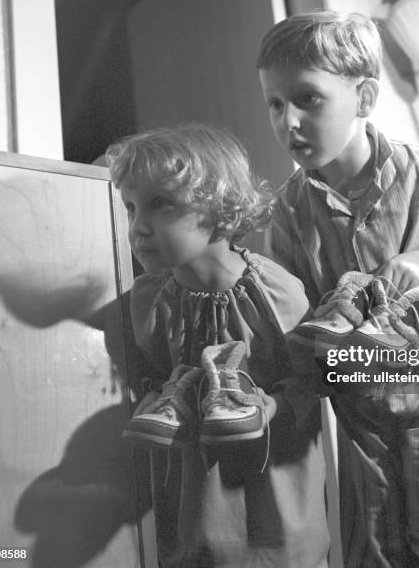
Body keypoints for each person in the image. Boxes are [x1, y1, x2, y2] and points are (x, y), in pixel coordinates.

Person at [257, 10, 419, 567]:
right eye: (274, 103)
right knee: (375, 537)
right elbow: (294, 306)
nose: (286, 121)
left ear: (364, 98)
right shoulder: (292, 207)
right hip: (360, 395)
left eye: (308, 99)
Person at [106, 123, 329, 567]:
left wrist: (273, 405)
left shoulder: (275, 291)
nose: (137, 227)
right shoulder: (148, 301)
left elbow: (313, 380)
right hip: (194, 502)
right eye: (131, 208)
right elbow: (144, 381)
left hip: (275, 491)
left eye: (159, 205)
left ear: (222, 211)